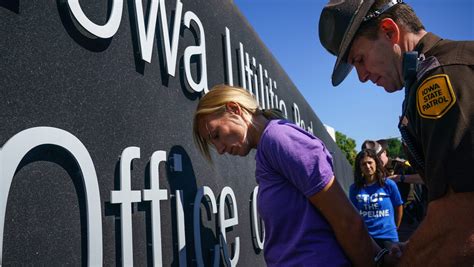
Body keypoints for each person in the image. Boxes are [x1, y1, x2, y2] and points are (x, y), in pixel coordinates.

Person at [319, 0, 474, 264]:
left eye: (360, 60)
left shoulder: (440, 79)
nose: (362, 77)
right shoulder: (440, 71)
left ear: (390, 31)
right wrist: (417, 244)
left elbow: (461, 219)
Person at [193, 84, 390, 266]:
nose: (218, 149)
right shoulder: (267, 148)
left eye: (216, 135)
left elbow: (347, 221)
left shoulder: (278, 139)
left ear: (234, 109)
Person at [350, 149, 403, 249]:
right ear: (359, 167)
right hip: (366, 238)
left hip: (389, 237)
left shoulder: (389, 184)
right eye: (363, 164)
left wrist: (395, 228)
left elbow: (398, 207)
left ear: (376, 163)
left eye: (370, 162)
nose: (367, 166)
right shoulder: (354, 188)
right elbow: (353, 214)